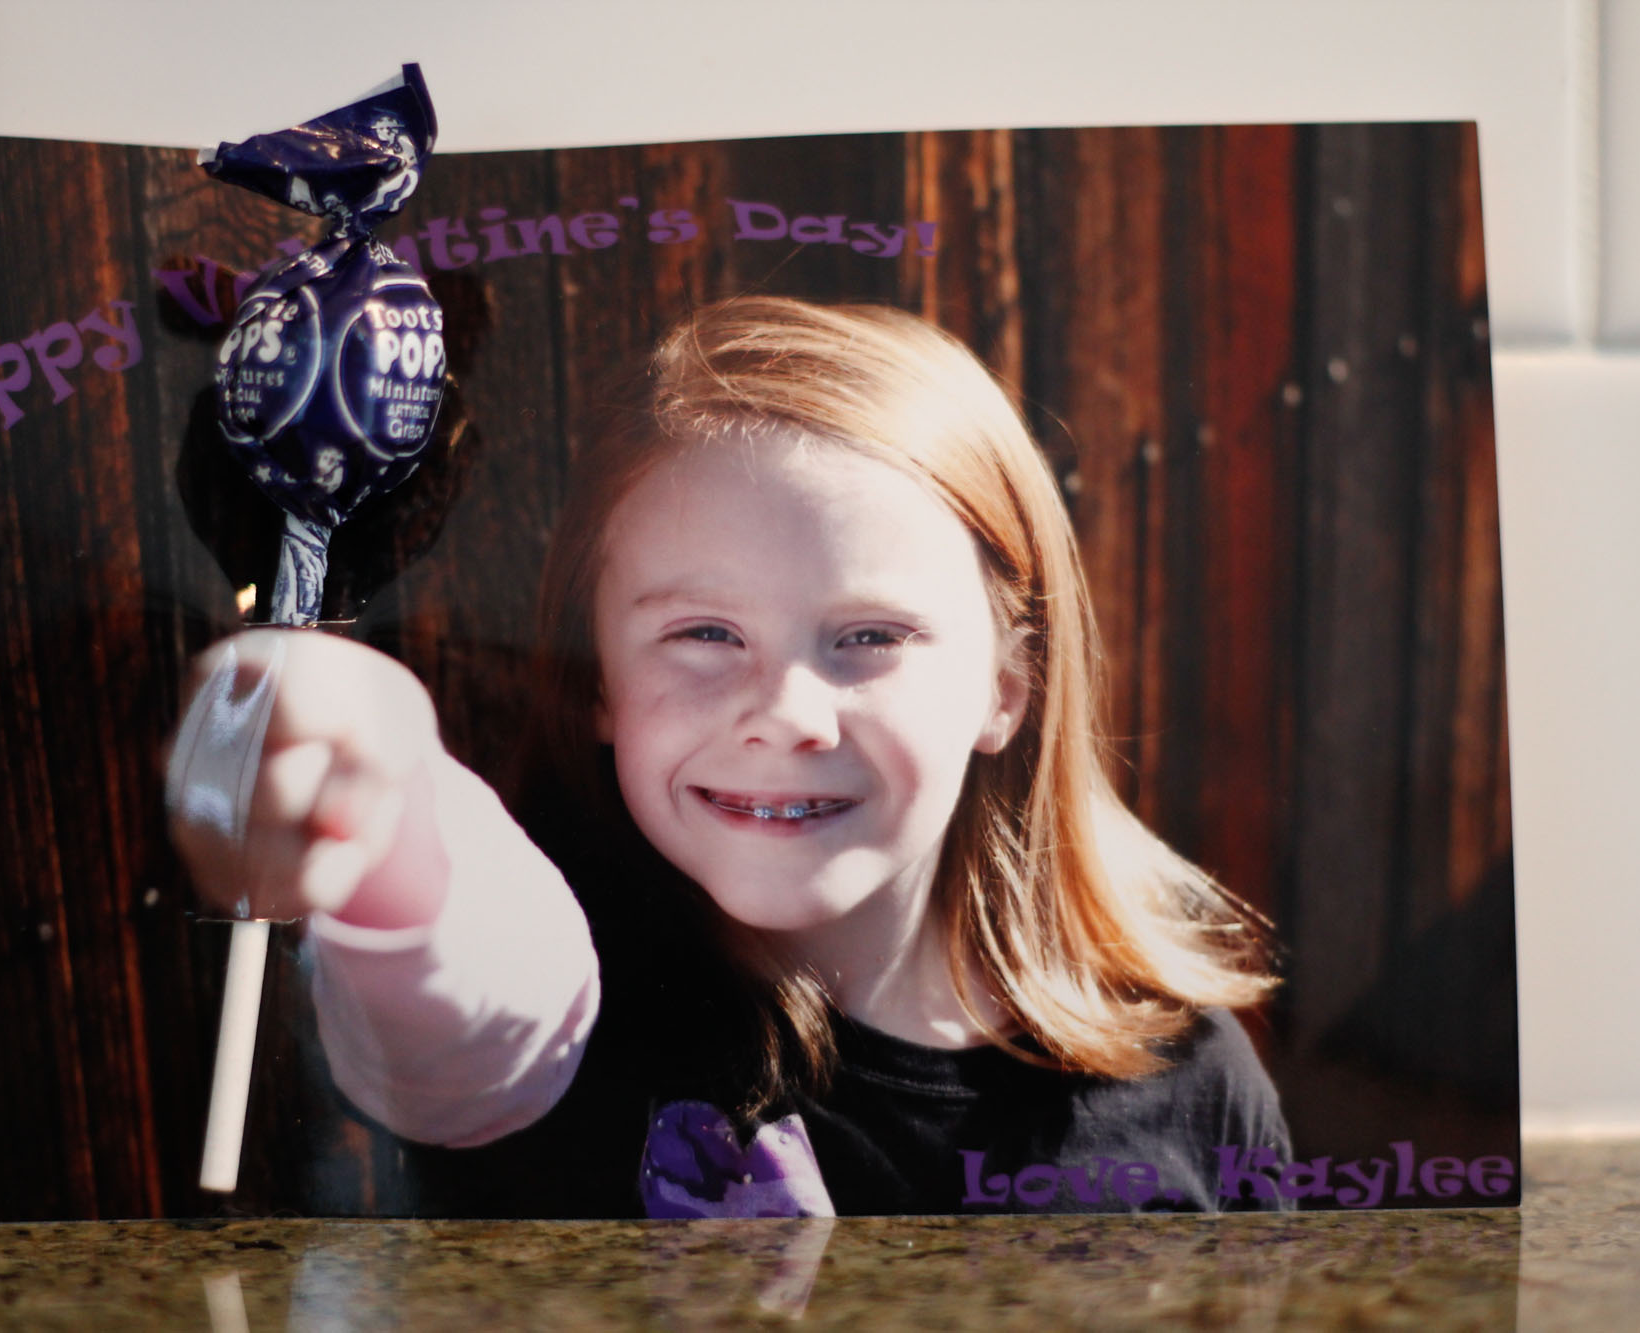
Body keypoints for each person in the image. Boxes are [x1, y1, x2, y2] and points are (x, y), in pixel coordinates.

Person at [169, 296, 1291, 1218]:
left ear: (1006, 687)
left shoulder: (1191, 1077)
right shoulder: (575, 1021)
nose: (785, 715)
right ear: (598, 682)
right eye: (704, 633)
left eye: (870, 637)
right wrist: (382, 786)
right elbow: (466, 996)